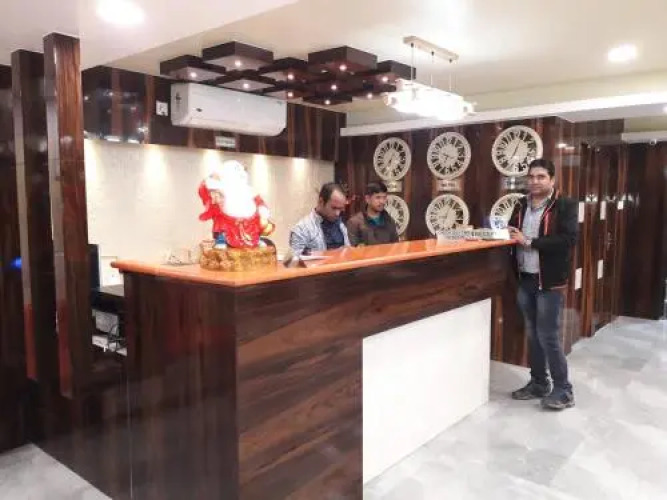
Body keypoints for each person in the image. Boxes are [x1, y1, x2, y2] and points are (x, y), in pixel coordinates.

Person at [507, 158, 578, 411]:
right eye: (531, 177)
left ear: (552, 180)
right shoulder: (520, 204)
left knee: (548, 335)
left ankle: (564, 390)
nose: (535, 181)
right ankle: (539, 383)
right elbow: (512, 233)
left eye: (541, 177)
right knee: (532, 334)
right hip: (525, 278)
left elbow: (568, 239)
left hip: (549, 282)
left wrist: (529, 242)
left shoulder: (565, 205)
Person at [289, 182, 350, 256]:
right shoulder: (301, 229)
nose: (337, 213)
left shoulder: (341, 225)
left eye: (340, 209)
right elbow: (293, 260)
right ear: (321, 201)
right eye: (334, 208)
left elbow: (348, 252)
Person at [346, 181, 399, 246]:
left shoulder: (389, 220)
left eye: (384, 197)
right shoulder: (354, 222)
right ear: (367, 199)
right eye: (378, 197)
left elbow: (395, 246)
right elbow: (354, 249)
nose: (382, 201)